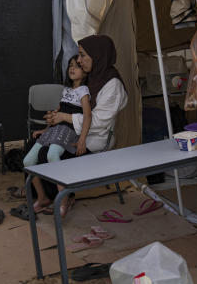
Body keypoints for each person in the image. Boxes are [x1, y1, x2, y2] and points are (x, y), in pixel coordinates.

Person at [31, 35, 128, 217]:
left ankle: (63, 198)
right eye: (79, 56)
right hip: (76, 131)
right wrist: (54, 118)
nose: (79, 60)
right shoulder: (93, 78)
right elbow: (74, 106)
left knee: (45, 154)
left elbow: (98, 122)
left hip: (94, 139)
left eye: (83, 56)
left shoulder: (112, 85)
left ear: (97, 56)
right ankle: (43, 195)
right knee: (34, 143)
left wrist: (64, 117)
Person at [24, 55, 91, 168]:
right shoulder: (66, 90)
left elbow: (88, 115)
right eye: (70, 65)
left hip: (68, 130)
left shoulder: (83, 90)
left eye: (77, 66)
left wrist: (82, 140)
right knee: (28, 162)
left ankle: (63, 185)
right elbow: (56, 114)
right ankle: (38, 186)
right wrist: (45, 130)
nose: (72, 68)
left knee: (52, 155)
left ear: (85, 72)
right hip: (54, 129)